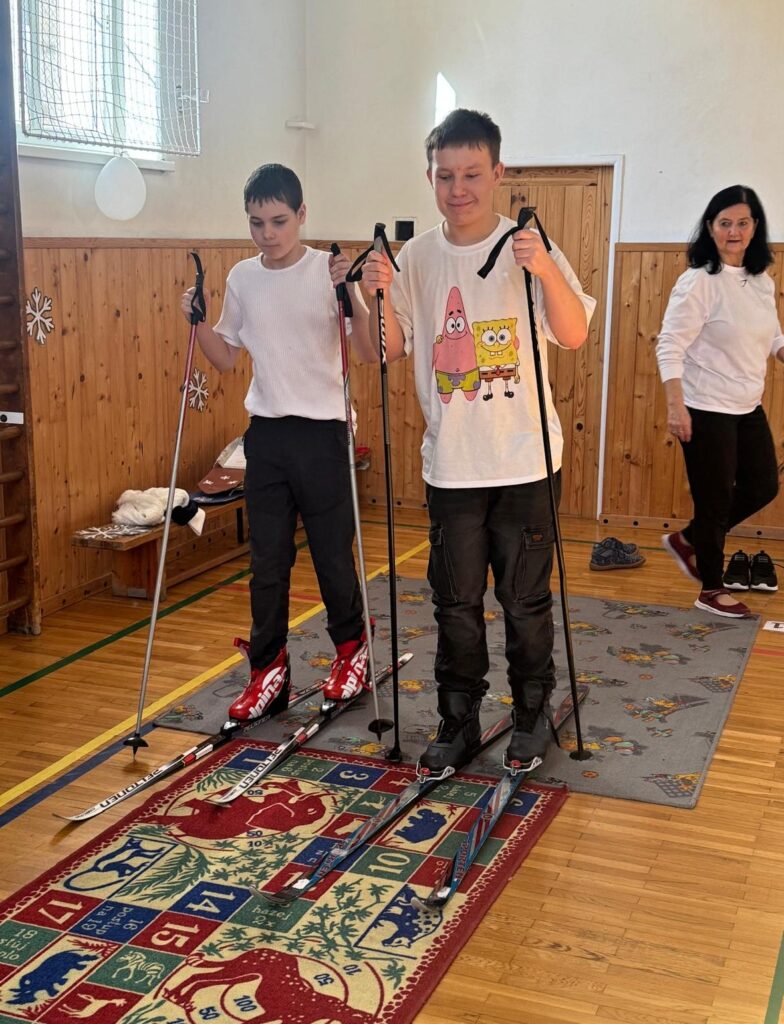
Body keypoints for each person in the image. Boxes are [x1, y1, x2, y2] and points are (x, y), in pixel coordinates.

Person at [358, 109, 596, 775]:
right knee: (455, 604)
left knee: (523, 601)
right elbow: (384, 349)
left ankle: (531, 711)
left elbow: (574, 334)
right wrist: (371, 297)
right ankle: (457, 718)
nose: (457, 188)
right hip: (452, 466)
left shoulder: (528, 247)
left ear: (497, 173)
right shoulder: (415, 258)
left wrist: (545, 268)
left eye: (471, 174)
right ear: (429, 177)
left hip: (525, 461)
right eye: (445, 176)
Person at [180, 163, 376, 720]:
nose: (267, 233)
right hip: (266, 434)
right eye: (256, 222)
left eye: (279, 221)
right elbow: (225, 359)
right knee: (267, 562)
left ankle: (351, 652)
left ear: (302, 214)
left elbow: (367, 350)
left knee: (332, 556)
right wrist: (196, 322)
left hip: (323, 432)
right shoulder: (243, 278)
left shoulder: (326, 271)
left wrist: (352, 292)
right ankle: (269, 669)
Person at [656, 185, 784, 618]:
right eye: (725, 223)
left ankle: (689, 539)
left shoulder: (761, 281)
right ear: (710, 228)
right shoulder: (698, 282)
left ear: (755, 228)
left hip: (747, 406)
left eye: (742, 223)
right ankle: (711, 589)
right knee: (713, 501)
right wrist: (676, 406)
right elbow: (669, 344)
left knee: (764, 485)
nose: (734, 231)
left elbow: (773, 336)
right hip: (705, 409)